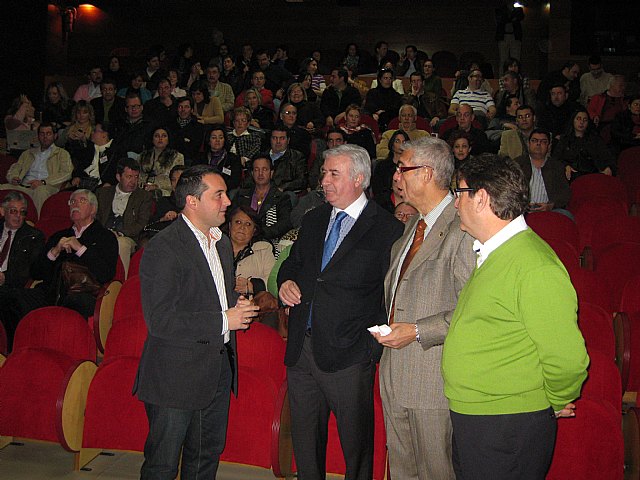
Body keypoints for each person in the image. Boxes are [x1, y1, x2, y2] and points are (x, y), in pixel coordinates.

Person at [442, 154, 589, 480]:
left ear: (480, 198)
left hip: (507, 423)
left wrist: (555, 400)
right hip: (482, 418)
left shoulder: (533, 265)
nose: (455, 205)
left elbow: (567, 359)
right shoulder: (496, 253)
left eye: (459, 193)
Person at [278, 144, 403, 480]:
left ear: (359, 179)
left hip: (350, 356)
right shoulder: (315, 218)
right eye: (324, 173)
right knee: (306, 446)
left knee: (356, 449)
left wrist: (371, 348)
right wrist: (285, 282)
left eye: (334, 174)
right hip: (302, 350)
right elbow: (294, 263)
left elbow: (391, 295)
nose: (325, 180)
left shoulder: (388, 229)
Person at [133, 165, 259, 479]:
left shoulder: (222, 243)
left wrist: (236, 306)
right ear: (192, 201)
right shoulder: (164, 248)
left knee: (204, 461)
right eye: (218, 195)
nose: (227, 202)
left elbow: (214, 296)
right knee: (162, 465)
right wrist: (224, 319)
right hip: (175, 375)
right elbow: (161, 321)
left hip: (217, 370)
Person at [371, 136, 475, 480]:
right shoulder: (412, 227)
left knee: (436, 472)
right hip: (394, 374)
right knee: (402, 472)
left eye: (404, 168)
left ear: (427, 173)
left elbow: (471, 308)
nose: (396, 176)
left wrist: (418, 331)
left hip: (433, 379)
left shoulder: (463, 228)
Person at [14, 189, 118, 320]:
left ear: (93, 209)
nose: (75, 204)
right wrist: (54, 251)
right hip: (50, 293)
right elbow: (36, 273)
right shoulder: (59, 236)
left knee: (75, 302)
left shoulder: (105, 237)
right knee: (10, 297)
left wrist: (80, 249)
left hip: (84, 294)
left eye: (82, 201)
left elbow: (106, 274)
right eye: (72, 201)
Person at [0, 192, 45, 349]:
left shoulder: (34, 236)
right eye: (13, 211)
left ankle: (11, 350)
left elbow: (27, 271)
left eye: (22, 212)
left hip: (11, 285)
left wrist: (4, 278)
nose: (18, 216)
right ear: (2, 211)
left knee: (6, 297)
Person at [96, 158, 153, 276]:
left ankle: (122, 283)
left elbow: (142, 223)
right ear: (118, 177)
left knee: (121, 243)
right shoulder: (102, 193)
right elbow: (95, 218)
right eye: (129, 177)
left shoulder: (144, 196)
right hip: (103, 233)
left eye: (136, 177)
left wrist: (120, 233)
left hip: (128, 236)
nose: (133, 181)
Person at [2, 123, 72, 214]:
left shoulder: (62, 153)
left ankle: (38, 224)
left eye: (48, 133)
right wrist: (13, 177)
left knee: (40, 191)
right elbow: (15, 167)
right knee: (2, 187)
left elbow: (66, 173)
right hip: (24, 185)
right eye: (42, 134)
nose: (45, 136)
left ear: (55, 136)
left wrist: (43, 182)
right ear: (38, 136)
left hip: (47, 186)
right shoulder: (28, 153)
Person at [233, 156, 292, 243]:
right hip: (241, 240)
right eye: (256, 170)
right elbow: (231, 217)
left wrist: (258, 233)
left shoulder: (282, 198)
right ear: (252, 173)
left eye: (264, 169)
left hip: (268, 242)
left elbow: (284, 225)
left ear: (271, 173)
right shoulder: (241, 195)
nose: (260, 173)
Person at [551, 106, 615, 182]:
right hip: (570, 177)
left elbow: (607, 157)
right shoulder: (564, 140)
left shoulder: (595, 140)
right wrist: (565, 165)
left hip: (592, 176)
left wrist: (608, 167)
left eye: (585, 120)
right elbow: (555, 159)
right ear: (573, 121)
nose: (581, 122)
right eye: (578, 119)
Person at [515, 129, 571, 213]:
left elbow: (565, 194)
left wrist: (551, 206)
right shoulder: (517, 164)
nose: (538, 144)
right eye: (534, 141)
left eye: (543, 141)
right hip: (521, 211)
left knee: (567, 215)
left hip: (549, 211)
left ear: (548, 146)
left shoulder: (557, 166)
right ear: (528, 144)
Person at [228, 205, 276, 295]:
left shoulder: (264, 250)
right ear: (230, 225)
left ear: (254, 230)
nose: (242, 227)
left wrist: (253, 286)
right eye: (238, 222)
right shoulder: (215, 248)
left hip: (252, 305)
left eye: (248, 224)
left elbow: (273, 282)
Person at [139, 127, 185, 198]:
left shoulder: (177, 157)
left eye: (164, 136)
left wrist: (157, 186)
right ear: (152, 139)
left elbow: (178, 180)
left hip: (165, 193)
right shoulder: (142, 155)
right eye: (157, 136)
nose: (160, 138)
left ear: (168, 139)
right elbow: (138, 177)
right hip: (143, 191)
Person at [372, 129, 409, 213]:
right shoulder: (382, 166)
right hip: (385, 203)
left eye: (404, 142)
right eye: (397, 141)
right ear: (392, 144)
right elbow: (376, 188)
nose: (401, 145)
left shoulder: (411, 166)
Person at [200, 125, 242, 191]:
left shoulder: (233, 159)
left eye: (221, 137)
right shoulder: (200, 158)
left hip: (225, 190)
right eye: (214, 138)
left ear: (224, 140)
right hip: (203, 190)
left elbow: (235, 181)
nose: (217, 140)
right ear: (208, 141)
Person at [170, 96, 205, 167]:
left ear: (192, 110)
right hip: (171, 158)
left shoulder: (198, 127)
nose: (183, 110)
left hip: (189, 160)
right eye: (180, 107)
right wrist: (184, 141)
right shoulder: (170, 125)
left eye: (186, 107)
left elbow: (193, 149)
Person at [364, 68, 403, 132]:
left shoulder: (396, 95)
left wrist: (382, 112)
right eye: (385, 78)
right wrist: (375, 113)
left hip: (390, 123)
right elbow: (368, 107)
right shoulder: (372, 93)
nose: (388, 80)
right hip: (374, 121)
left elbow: (396, 110)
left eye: (390, 78)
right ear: (380, 79)